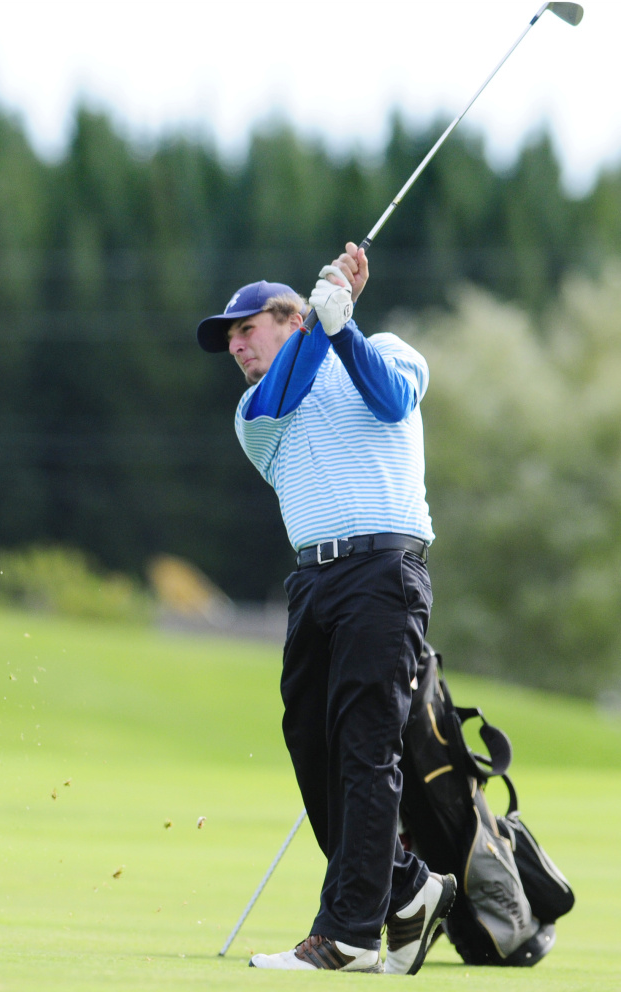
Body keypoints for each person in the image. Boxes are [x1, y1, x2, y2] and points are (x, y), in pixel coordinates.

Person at [195, 243, 456, 975]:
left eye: (248, 328)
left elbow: (391, 400)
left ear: (288, 316)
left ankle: (344, 936)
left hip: (383, 570)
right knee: (312, 746)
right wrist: (321, 329)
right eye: (229, 340)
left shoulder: (390, 352)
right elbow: (290, 386)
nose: (237, 345)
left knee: (364, 749)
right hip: (312, 584)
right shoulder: (255, 409)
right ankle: (404, 890)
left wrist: (340, 328)